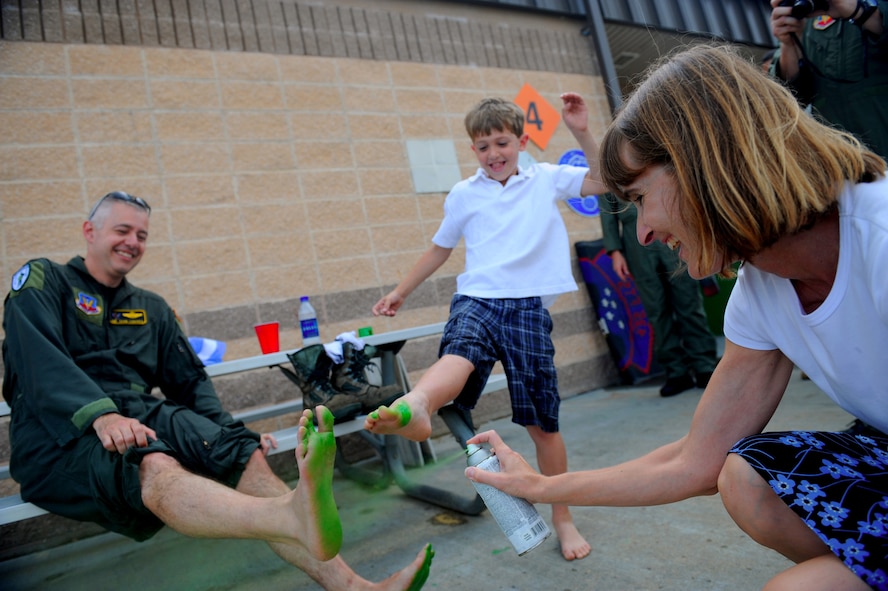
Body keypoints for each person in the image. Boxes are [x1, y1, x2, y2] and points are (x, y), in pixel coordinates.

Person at [464, 44, 887, 590]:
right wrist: (542, 487)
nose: (641, 233)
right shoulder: (760, 290)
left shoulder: (876, 237)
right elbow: (694, 460)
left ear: (706, 163)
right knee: (744, 475)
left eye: (640, 197)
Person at [1, 191, 434, 591]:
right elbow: (37, 360)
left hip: (136, 413)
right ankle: (286, 515)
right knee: (151, 461)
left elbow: (188, 381)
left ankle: (355, 587)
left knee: (238, 450)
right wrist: (101, 414)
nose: (132, 241)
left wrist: (226, 429)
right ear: (89, 231)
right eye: (122, 230)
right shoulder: (45, 279)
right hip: (58, 435)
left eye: (142, 235)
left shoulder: (150, 307)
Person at [365, 95, 609, 561]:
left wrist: (580, 130)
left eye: (502, 142)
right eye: (483, 146)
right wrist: (401, 291)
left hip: (526, 310)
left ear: (520, 141)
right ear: (473, 150)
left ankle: (562, 515)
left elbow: (603, 180)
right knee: (459, 353)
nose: (494, 153)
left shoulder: (546, 178)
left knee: (542, 424)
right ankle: (417, 404)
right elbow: (439, 249)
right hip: (477, 297)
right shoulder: (463, 194)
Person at [600, 193, 719, 396]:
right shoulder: (606, 168)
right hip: (635, 239)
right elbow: (606, 209)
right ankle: (676, 372)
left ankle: (704, 365)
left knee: (688, 303)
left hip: (671, 230)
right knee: (655, 309)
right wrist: (614, 251)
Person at [769, 0, 888, 159]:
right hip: (842, 163)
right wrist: (789, 44)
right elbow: (788, 100)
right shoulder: (807, 12)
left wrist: (860, 12)